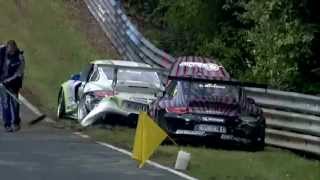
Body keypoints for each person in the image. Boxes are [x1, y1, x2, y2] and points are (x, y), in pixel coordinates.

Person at [0, 40, 25, 132]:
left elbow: (19, 73)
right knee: (5, 103)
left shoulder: (19, 57)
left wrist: (7, 81)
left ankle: (16, 122)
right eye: (9, 50)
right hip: (2, 83)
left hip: (14, 83)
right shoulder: (1, 52)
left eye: (12, 51)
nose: (10, 52)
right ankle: (7, 124)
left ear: (15, 49)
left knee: (15, 103)